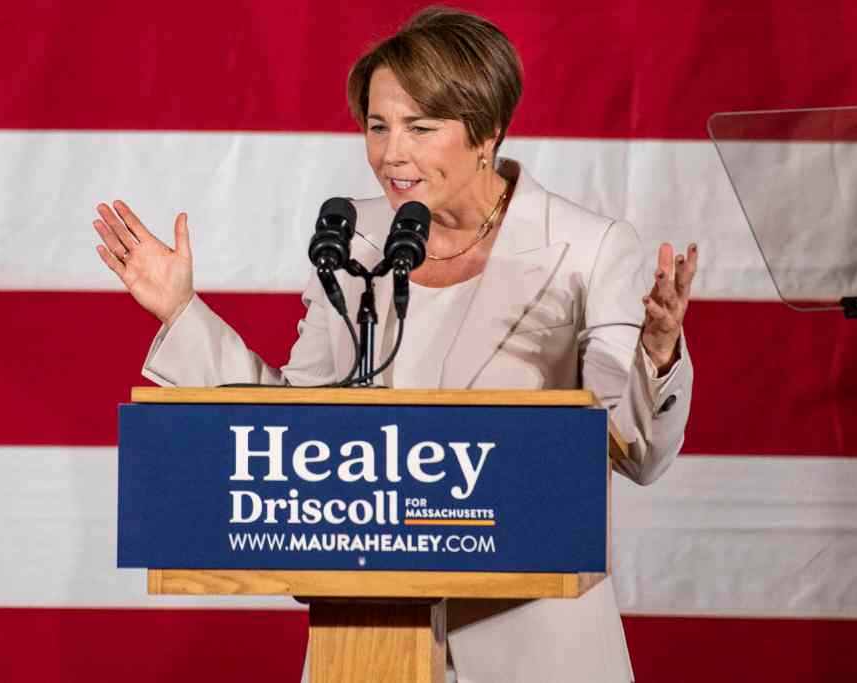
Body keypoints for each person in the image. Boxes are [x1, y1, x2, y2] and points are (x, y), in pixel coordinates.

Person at [92, 7, 695, 681]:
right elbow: (296, 423)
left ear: (487, 131)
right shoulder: (355, 239)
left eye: (420, 127)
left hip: (535, 647)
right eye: (377, 126)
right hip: (369, 642)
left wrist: (659, 356)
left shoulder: (587, 247)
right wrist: (181, 310)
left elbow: (634, 450)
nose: (390, 152)